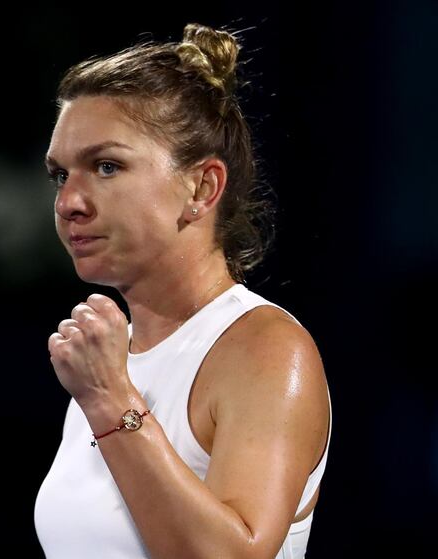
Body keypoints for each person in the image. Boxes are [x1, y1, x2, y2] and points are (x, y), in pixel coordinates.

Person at [33, 23, 332, 559]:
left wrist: (110, 401)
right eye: (61, 174)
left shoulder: (265, 349)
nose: (69, 202)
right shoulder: (108, 358)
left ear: (202, 186)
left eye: (106, 167)